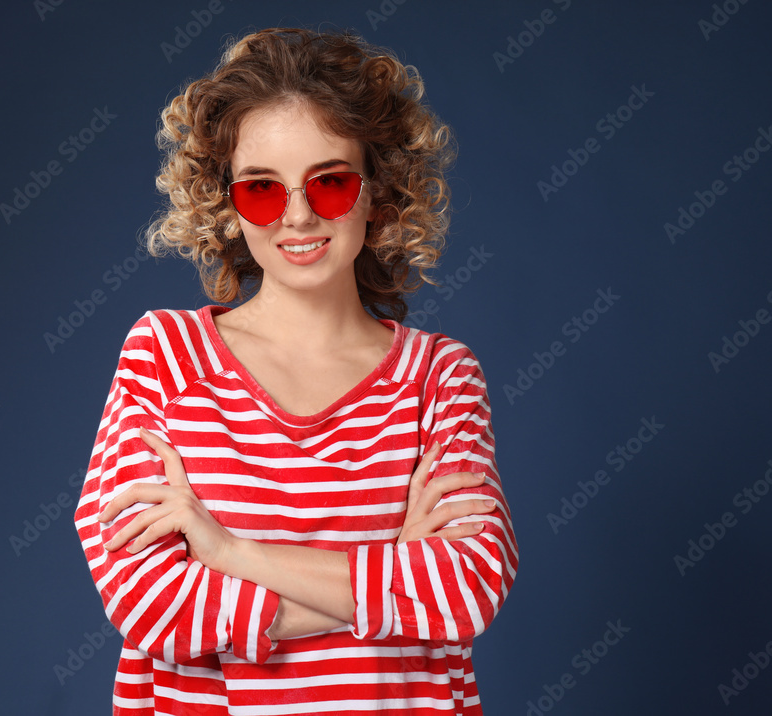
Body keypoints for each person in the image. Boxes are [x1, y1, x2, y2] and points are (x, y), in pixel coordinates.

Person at [74, 27, 518, 716]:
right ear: (226, 201)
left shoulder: (440, 377)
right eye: (261, 190)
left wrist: (227, 551)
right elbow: (151, 605)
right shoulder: (163, 355)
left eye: (331, 181)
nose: (299, 215)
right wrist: (391, 575)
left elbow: (466, 589)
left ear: (378, 189)